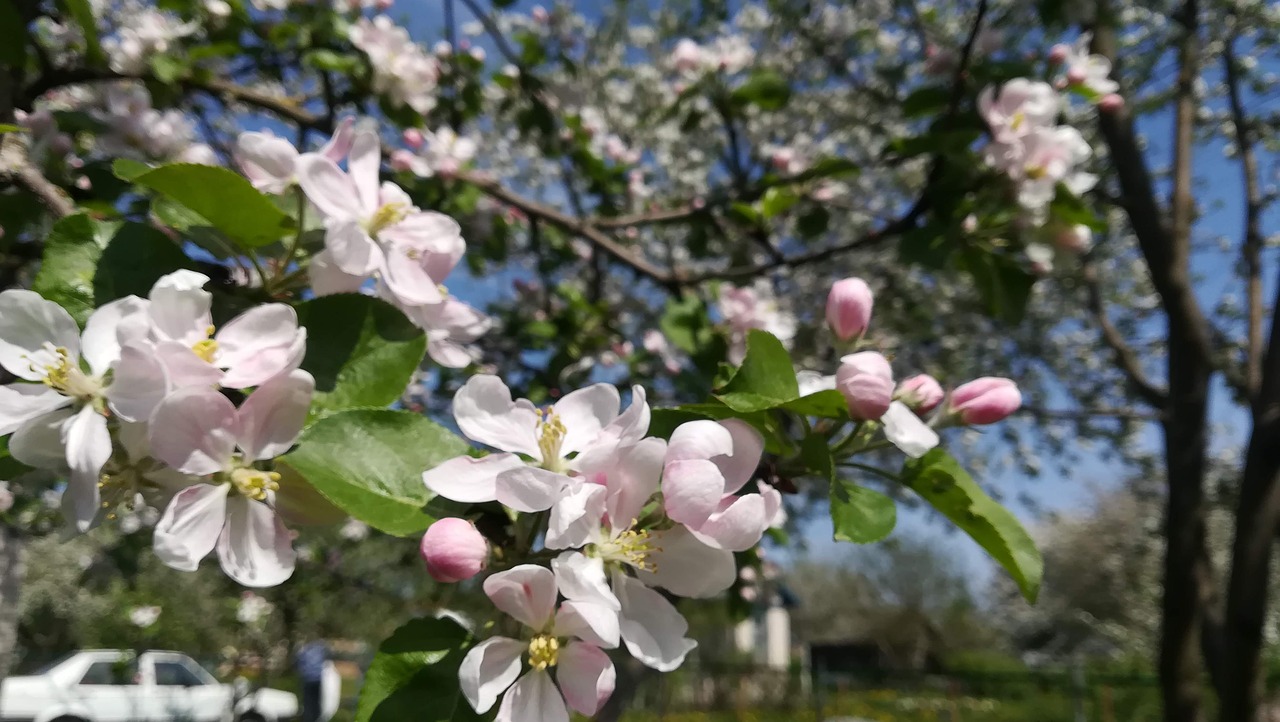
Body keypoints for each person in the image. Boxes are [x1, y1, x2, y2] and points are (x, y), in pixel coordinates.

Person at [295, 638, 328, 722]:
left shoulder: (304, 651)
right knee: (318, 701)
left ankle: (308, 719)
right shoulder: (320, 650)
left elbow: (298, 663)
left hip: (308, 680)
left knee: (308, 703)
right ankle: (318, 718)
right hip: (319, 680)